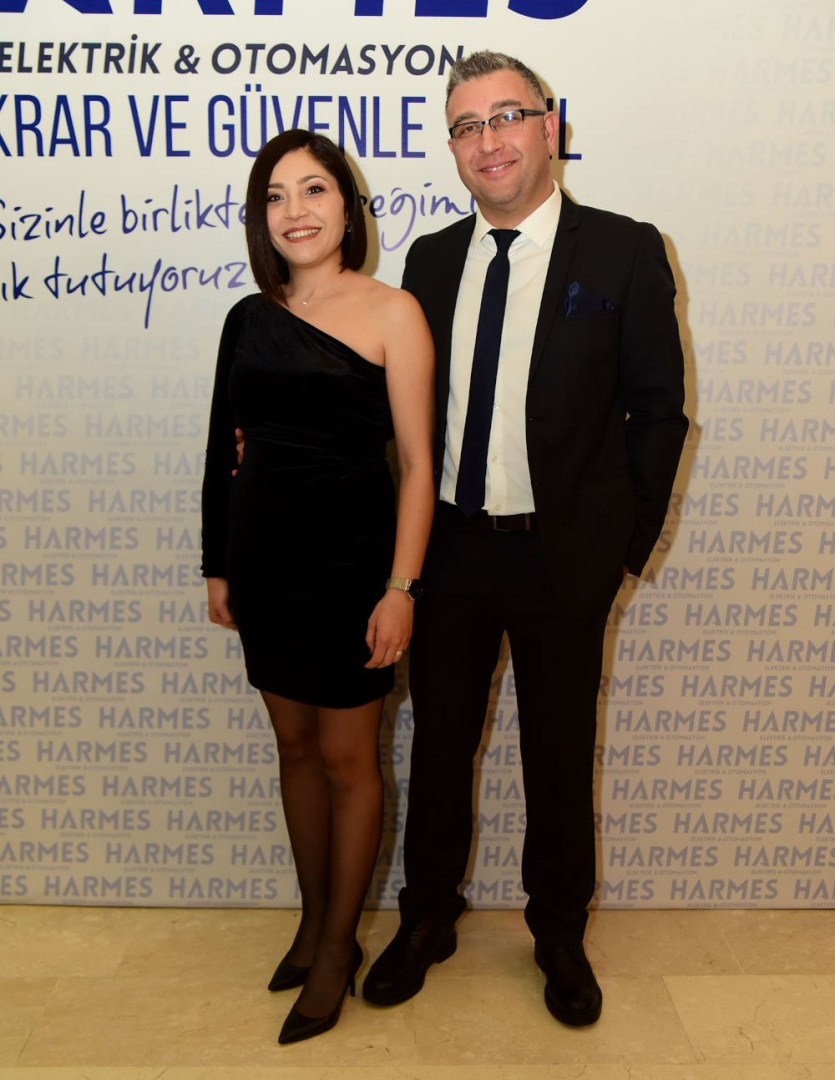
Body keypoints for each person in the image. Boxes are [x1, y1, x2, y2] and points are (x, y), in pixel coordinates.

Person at [361, 51, 688, 1026]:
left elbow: (657, 412)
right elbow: (395, 415)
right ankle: (427, 918)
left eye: (505, 116)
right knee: (437, 747)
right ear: (452, 148)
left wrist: (621, 548)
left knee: (557, 756)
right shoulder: (428, 262)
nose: (488, 141)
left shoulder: (623, 250)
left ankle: (558, 933)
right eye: (466, 126)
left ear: (549, 127)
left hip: (564, 560)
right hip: (450, 551)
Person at [201, 130, 434, 1045]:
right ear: (259, 217)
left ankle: (338, 949)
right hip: (263, 564)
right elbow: (220, 451)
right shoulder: (246, 318)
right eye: (275, 195)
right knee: (293, 749)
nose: (294, 211)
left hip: (351, 570)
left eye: (313, 191)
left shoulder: (393, 312)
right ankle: (310, 924)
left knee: (347, 761)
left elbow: (418, 468)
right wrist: (217, 565)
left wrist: (400, 587)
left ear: (347, 206)